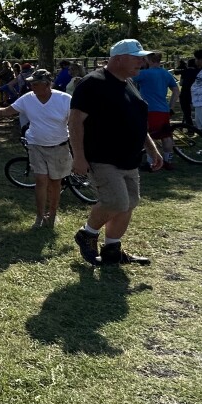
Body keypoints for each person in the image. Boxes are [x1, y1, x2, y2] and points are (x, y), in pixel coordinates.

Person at [69, 39, 163, 267]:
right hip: (102, 158)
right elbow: (75, 121)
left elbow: (137, 123)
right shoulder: (93, 83)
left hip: (129, 158)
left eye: (142, 57)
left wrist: (153, 149)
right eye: (136, 57)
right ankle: (87, 233)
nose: (141, 62)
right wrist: (78, 156)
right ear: (118, 58)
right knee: (116, 202)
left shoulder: (129, 83)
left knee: (130, 202)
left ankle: (112, 250)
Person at [0, 68, 74, 228]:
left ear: (47, 84)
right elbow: (8, 111)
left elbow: (75, 121)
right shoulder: (27, 99)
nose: (31, 86)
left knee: (55, 182)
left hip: (59, 146)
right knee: (41, 180)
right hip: (36, 145)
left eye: (35, 83)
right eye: (31, 83)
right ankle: (40, 216)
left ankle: (52, 214)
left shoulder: (65, 99)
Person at [133, 51, 179, 170]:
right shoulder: (166, 73)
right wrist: (171, 107)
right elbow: (175, 90)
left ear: (149, 61)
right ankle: (168, 160)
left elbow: (127, 79)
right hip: (163, 109)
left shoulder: (144, 74)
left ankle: (151, 162)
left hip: (149, 109)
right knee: (166, 135)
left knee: (149, 136)